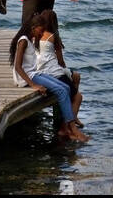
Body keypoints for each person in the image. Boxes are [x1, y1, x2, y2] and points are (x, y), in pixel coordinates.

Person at [9, 11, 88, 145]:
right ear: (33, 28)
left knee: (66, 87)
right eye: (40, 31)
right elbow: (17, 67)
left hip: (34, 73)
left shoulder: (30, 39)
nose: (41, 34)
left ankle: (67, 126)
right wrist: (32, 85)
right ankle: (72, 128)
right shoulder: (23, 41)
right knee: (61, 91)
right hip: (28, 77)